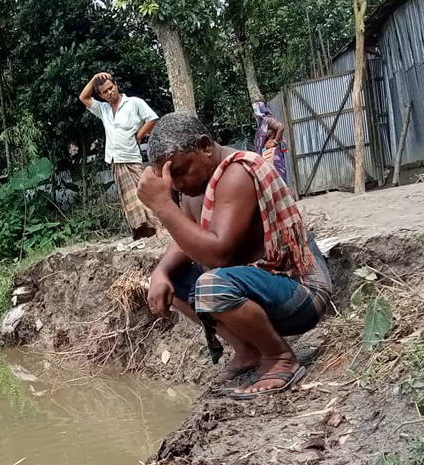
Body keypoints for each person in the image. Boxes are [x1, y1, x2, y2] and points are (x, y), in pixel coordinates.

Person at [136, 113, 332, 399]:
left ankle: (279, 358)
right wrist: (160, 272)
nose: (176, 184)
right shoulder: (196, 188)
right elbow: (186, 241)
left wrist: (164, 207)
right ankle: (248, 350)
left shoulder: (237, 171)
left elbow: (218, 254)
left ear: (205, 146)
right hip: (261, 290)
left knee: (212, 285)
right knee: (174, 279)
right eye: (169, 177)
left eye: (179, 171)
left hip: (301, 294)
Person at [79, 72, 160, 239]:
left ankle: (160, 227)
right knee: (130, 201)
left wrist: (139, 135)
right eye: (105, 91)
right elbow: (83, 97)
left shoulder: (134, 103)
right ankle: (143, 233)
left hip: (132, 157)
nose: (110, 92)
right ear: (101, 95)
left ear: (116, 85)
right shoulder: (103, 109)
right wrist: (94, 78)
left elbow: (152, 118)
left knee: (144, 193)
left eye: (111, 87)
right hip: (116, 160)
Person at [252, 102, 288, 183]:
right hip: (267, 154)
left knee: (278, 177)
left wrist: (274, 142)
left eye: (256, 111)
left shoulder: (269, 120)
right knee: (270, 178)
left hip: (273, 154)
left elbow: (281, 127)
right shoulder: (263, 123)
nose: (256, 114)